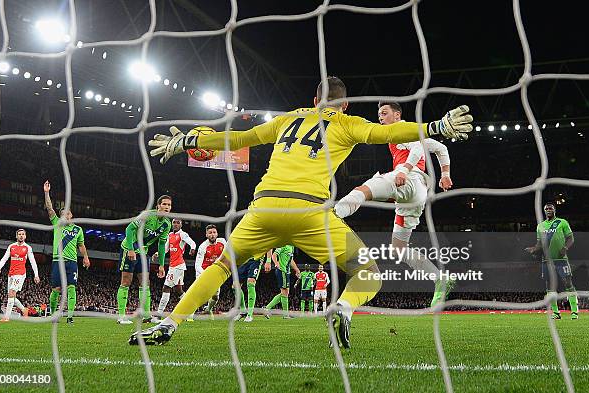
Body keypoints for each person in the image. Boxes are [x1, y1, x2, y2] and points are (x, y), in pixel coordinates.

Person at [131, 76, 472, 348]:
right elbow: (387, 132)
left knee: (221, 267)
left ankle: (168, 323)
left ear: (314, 101)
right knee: (368, 272)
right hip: (310, 213)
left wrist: (193, 142)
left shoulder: (287, 118)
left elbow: (239, 139)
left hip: (263, 208)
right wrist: (434, 127)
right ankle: (343, 307)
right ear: (345, 104)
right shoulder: (347, 122)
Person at [334, 102, 455, 307]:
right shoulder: (408, 132)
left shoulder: (403, 129)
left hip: (410, 180)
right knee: (398, 249)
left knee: (365, 189)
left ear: (397, 115)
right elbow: (441, 148)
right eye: (379, 114)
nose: (380, 117)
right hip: (415, 196)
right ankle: (440, 278)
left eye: (384, 113)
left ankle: (333, 214)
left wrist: (404, 170)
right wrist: (445, 175)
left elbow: (415, 147)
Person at [117, 195, 172, 324]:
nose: (167, 207)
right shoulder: (147, 215)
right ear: (158, 206)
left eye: (169, 205)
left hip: (143, 252)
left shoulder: (166, 224)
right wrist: (130, 249)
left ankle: (147, 316)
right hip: (128, 248)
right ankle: (121, 316)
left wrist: (161, 265)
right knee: (126, 281)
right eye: (164, 204)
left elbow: (162, 245)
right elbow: (129, 229)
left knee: (145, 282)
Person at [44, 181, 90, 324]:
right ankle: (53, 315)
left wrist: (86, 258)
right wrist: (46, 192)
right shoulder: (57, 223)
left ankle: (70, 317)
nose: (65, 215)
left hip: (72, 262)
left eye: (67, 213)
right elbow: (50, 208)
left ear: (71, 215)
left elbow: (81, 245)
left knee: (71, 288)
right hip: (58, 261)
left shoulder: (78, 230)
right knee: (56, 289)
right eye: (62, 214)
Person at [525, 202, 578, 320]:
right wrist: (534, 249)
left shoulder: (562, 222)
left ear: (554, 210)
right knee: (549, 286)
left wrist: (565, 248)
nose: (548, 209)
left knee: (568, 283)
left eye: (551, 208)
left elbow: (570, 238)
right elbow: (540, 244)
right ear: (544, 211)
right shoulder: (540, 226)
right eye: (546, 208)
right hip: (546, 261)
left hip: (561, 259)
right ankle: (556, 313)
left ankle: (574, 311)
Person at [153, 219, 196, 321]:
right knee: (179, 290)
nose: (176, 224)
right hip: (177, 266)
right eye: (174, 223)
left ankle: (158, 314)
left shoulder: (182, 234)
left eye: (178, 223)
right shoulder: (170, 235)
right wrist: (158, 253)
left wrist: (192, 248)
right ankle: (191, 310)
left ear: (181, 225)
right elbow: (166, 248)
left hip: (177, 266)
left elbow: (192, 242)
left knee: (166, 287)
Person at [0, 229, 40, 321]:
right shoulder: (11, 246)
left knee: (11, 293)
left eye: (23, 234)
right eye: (19, 234)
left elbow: (33, 262)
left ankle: (6, 317)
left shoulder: (28, 248)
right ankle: (24, 310)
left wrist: (36, 275)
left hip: (20, 274)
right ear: (16, 236)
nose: (21, 236)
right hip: (11, 273)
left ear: (25, 236)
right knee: (11, 296)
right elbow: (4, 258)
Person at [194, 225, 226, 317]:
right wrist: (206, 274)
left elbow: (228, 253)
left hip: (215, 272)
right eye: (210, 233)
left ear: (217, 234)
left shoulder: (222, 242)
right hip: (202, 272)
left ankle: (208, 309)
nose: (212, 235)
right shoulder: (203, 247)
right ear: (206, 235)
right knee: (198, 294)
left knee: (215, 297)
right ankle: (190, 314)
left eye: (214, 232)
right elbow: (197, 265)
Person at [264, 245, 300, 318]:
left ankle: (267, 309)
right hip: (282, 271)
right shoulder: (283, 245)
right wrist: (276, 263)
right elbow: (274, 254)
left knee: (285, 293)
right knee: (284, 292)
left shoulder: (291, 247)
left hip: (287, 272)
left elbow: (291, 260)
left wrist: (296, 269)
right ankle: (284, 314)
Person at [234, 251, 269, 322]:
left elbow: (269, 244)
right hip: (244, 259)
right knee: (235, 286)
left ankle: (249, 314)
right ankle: (243, 311)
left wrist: (268, 260)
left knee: (250, 282)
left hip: (256, 258)